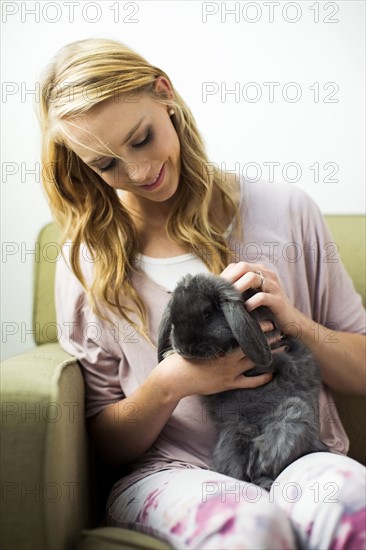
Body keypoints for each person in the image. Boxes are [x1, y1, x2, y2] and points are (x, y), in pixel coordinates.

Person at [39, 38, 366, 549]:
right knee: (250, 525)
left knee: (352, 504)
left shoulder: (286, 210)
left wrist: (295, 322)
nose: (140, 173)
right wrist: (171, 383)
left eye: (142, 138)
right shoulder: (88, 259)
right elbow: (104, 443)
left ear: (164, 93)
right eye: (107, 166)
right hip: (168, 474)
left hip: (297, 452)